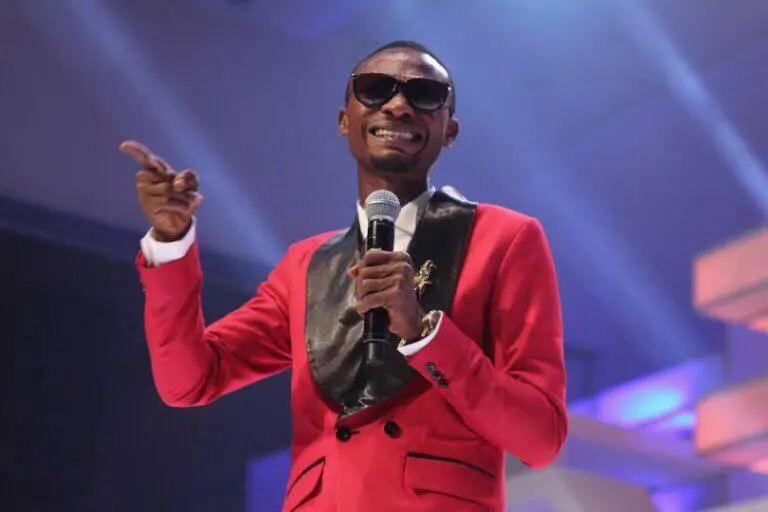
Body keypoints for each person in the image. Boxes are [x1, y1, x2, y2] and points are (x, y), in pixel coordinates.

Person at [121, 40, 567, 512]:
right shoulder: (306, 265)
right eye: (375, 89)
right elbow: (189, 381)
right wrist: (171, 241)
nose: (398, 105)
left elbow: (540, 438)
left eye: (424, 95)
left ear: (449, 130)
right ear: (343, 120)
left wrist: (423, 333)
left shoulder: (504, 239)